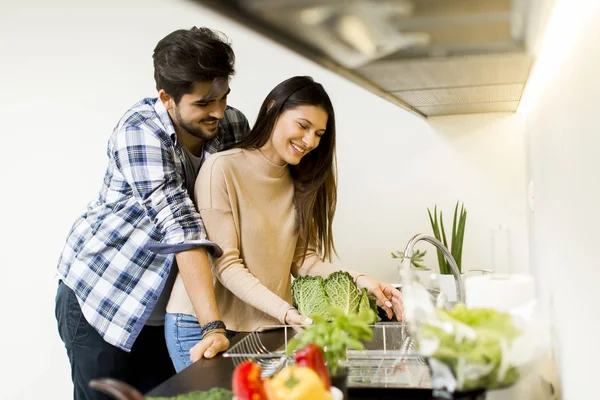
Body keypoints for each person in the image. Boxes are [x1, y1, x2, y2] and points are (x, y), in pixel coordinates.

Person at [54, 27, 250, 399]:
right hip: (104, 300)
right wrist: (212, 326)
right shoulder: (139, 130)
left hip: (168, 315)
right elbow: (182, 226)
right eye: (204, 103)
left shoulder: (233, 126)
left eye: (224, 97)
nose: (219, 112)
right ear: (167, 98)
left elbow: (250, 206)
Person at [165, 76, 404, 372]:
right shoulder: (222, 168)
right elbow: (225, 265)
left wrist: (361, 278)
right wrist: (288, 314)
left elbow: (302, 260)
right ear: (272, 109)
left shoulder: (300, 180)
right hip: (203, 327)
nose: (310, 142)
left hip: (267, 323)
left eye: (318, 133)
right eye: (302, 126)